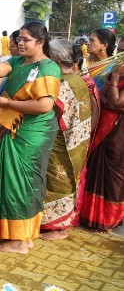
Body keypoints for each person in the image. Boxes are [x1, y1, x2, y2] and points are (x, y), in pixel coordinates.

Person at [0, 22, 61, 254]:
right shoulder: (17, 62)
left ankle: (20, 241)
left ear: (41, 42)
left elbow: (44, 105)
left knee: (23, 182)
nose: (21, 42)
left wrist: (8, 103)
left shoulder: (49, 68)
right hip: (12, 128)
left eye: (27, 39)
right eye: (19, 38)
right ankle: (22, 236)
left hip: (31, 132)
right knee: (11, 182)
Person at [40, 40, 92, 240]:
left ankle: (59, 227)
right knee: (61, 179)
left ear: (57, 59)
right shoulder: (78, 79)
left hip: (63, 140)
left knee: (58, 179)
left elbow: (52, 111)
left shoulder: (64, 83)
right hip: (75, 140)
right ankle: (54, 222)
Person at [79, 60, 124, 232]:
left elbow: (117, 102)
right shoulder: (117, 69)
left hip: (118, 132)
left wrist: (115, 77)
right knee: (96, 168)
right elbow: (104, 97)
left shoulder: (116, 72)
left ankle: (109, 218)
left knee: (114, 174)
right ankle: (92, 216)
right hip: (105, 126)